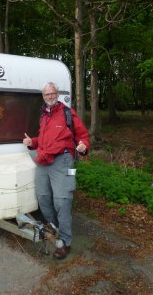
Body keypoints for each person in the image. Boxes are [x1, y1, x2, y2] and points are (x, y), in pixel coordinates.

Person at [23, 82, 90, 259]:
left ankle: (66, 242)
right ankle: (54, 228)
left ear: (57, 94)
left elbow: (82, 135)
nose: (50, 97)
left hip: (64, 162)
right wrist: (33, 143)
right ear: (43, 97)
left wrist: (83, 146)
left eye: (52, 93)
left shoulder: (68, 113)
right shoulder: (44, 115)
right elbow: (45, 139)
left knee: (63, 200)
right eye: (46, 95)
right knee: (43, 197)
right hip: (43, 160)